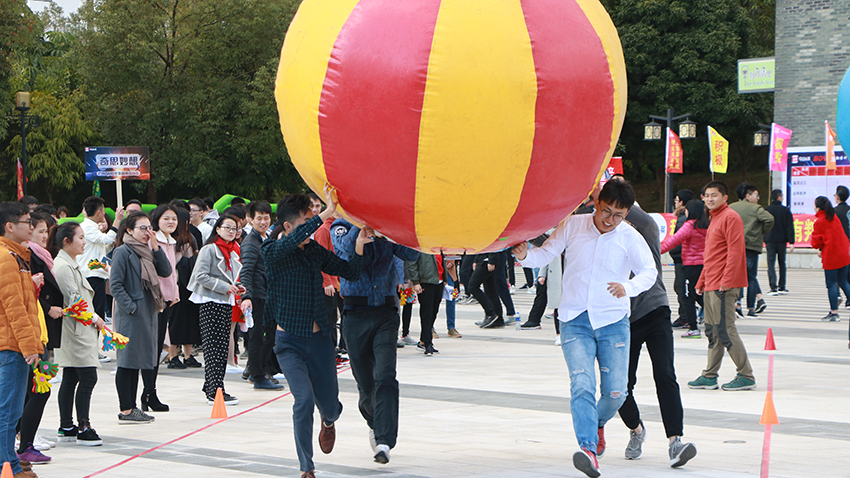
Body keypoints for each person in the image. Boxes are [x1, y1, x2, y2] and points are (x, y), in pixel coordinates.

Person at [512, 179, 657, 478]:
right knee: (581, 385)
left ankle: (597, 422)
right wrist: (524, 254)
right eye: (606, 212)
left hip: (613, 321)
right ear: (596, 202)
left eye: (619, 215)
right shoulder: (573, 226)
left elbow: (650, 271)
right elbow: (545, 254)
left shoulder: (628, 235)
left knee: (616, 393)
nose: (610, 220)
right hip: (574, 318)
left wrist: (627, 287)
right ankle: (588, 449)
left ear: (627, 213)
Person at [262, 188, 370, 478]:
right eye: (306, 220)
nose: (314, 226)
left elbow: (350, 272)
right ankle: (306, 468)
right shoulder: (272, 252)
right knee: (303, 400)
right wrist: (326, 213)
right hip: (289, 343)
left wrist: (359, 245)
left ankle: (330, 420)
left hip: (320, 340)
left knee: (330, 407)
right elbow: (294, 240)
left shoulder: (312, 251)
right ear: (287, 226)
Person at [607, 183, 697, 469]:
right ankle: (636, 430)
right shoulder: (604, 235)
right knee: (620, 387)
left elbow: (640, 216)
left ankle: (675, 442)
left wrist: (612, 191)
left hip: (655, 309)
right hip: (623, 321)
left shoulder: (644, 229)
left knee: (665, 375)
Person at [331, 217, 418, 464]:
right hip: (355, 314)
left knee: (385, 376)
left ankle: (384, 441)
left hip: (386, 313)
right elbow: (346, 250)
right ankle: (374, 421)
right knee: (366, 384)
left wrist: (396, 230)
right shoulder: (341, 226)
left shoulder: (387, 225)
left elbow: (411, 254)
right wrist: (362, 225)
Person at [688, 181, 756, 392]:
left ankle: (746, 375)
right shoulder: (714, 218)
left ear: (725, 198)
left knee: (725, 331)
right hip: (711, 284)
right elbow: (712, 256)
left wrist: (726, 282)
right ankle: (709, 376)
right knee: (712, 331)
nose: (709, 199)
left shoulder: (730, 217)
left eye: (714, 195)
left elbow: (735, 253)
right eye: (707, 195)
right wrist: (702, 281)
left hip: (723, 286)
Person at [109, 212, 172, 423]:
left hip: (149, 311)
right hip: (132, 314)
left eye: (149, 228)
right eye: (142, 228)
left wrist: (156, 248)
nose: (147, 232)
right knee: (127, 361)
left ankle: (133, 406)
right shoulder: (122, 252)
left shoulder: (148, 251)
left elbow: (166, 271)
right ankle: (126, 408)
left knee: (137, 360)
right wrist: (131, 307)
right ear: (129, 230)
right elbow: (115, 285)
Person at [50, 222, 106, 445]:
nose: (84, 242)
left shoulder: (70, 263)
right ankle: (83, 426)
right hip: (75, 329)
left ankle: (66, 425)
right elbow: (74, 301)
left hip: (78, 328)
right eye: (80, 238)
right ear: (66, 241)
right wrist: (94, 318)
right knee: (87, 376)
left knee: (72, 376)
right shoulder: (62, 267)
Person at [0, 202, 43, 478]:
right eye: (27, 221)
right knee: (8, 413)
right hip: (11, 346)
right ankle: (8, 466)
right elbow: (13, 308)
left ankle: (8, 459)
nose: (32, 226)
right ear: (9, 226)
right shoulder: (6, 258)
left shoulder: (17, 256)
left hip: (15, 344)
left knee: (9, 412)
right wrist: (29, 346)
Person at [187, 214, 245, 405]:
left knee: (220, 347)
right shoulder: (209, 249)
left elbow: (232, 277)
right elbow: (201, 275)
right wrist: (225, 287)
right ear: (217, 229)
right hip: (210, 300)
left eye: (234, 228)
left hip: (226, 301)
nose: (231, 231)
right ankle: (215, 390)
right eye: (227, 227)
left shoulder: (233, 250)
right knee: (214, 348)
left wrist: (237, 287)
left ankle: (213, 385)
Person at [17, 213, 60, 464]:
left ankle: (24, 442)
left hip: (39, 333)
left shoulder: (36, 256)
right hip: (28, 338)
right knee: (33, 391)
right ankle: (22, 443)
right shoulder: (20, 258)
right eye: (39, 230)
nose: (44, 235)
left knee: (34, 391)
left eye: (46, 230)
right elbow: (16, 302)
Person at [239, 201, 283, 390]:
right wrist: (246, 296)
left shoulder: (264, 239)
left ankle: (259, 371)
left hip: (267, 295)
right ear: (250, 219)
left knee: (268, 337)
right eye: (259, 218)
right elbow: (246, 271)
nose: (263, 221)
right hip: (256, 296)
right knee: (258, 337)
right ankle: (257, 376)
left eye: (266, 218)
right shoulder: (250, 242)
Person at [139, 206, 179, 411]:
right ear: (157, 220)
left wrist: (175, 292)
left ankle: (150, 392)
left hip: (169, 301)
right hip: (157, 302)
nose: (171, 222)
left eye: (174, 218)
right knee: (152, 350)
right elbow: (159, 273)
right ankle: (148, 393)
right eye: (166, 218)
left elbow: (173, 274)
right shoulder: (152, 242)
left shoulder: (171, 241)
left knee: (156, 351)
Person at [660, 200, 708, 337]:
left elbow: (672, 242)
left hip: (690, 266)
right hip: (704, 266)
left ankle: (693, 327)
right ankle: (716, 316)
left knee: (688, 296)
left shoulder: (689, 226)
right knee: (700, 294)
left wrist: (655, 251)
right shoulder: (707, 226)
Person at [729, 183, 774, 317]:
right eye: (756, 195)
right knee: (751, 277)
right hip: (751, 246)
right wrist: (761, 233)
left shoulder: (731, 207)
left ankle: (737, 304)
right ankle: (751, 308)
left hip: (735, 246)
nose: (758, 198)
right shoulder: (756, 209)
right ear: (748, 196)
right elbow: (769, 219)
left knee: (737, 276)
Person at [166, 208, 202, 369]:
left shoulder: (191, 237)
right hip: (176, 285)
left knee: (189, 320)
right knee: (176, 320)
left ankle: (188, 354)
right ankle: (173, 355)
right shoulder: (170, 240)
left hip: (190, 285)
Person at [78, 196, 125, 320]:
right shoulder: (87, 226)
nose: (104, 214)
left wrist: (109, 246)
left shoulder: (92, 226)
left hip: (95, 272)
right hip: (91, 273)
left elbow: (102, 247)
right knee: (96, 311)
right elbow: (107, 239)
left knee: (98, 311)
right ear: (98, 212)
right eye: (103, 211)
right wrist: (117, 221)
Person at [811, 196, 850, 321]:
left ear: (817, 208)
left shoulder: (820, 222)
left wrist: (820, 248)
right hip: (844, 254)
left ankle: (834, 313)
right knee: (843, 282)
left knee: (831, 284)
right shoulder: (834, 218)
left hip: (832, 257)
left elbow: (815, 242)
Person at [408, 253, 443, 356]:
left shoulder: (438, 246)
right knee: (426, 313)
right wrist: (416, 282)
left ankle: (423, 340)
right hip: (426, 282)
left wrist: (445, 280)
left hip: (439, 282)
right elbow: (412, 263)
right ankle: (428, 343)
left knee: (434, 312)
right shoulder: (421, 247)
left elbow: (442, 264)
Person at [764, 190, 796, 295]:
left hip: (770, 240)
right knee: (782, 263)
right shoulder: (785, 210)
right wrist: (791, 242)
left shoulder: (767, 210)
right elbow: (789, 226)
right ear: (779, 197)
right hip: (782, 240)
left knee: (771, 264)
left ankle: (773, 287)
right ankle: (782, 286)